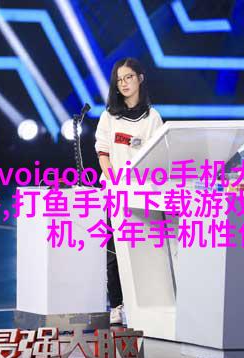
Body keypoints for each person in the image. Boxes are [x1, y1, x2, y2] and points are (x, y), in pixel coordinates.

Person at [95, 57, 164, 324]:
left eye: (129, 77)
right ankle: (117, 305)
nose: (123, 83)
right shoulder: (109, 117)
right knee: (114, 250)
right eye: (119, 79)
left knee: (143, 248)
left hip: (143, 192)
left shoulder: (153, 117)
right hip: (115, 191)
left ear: (140, 79)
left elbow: (157, 155)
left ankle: (146, 304)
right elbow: (103, 153)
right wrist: (115, 182)